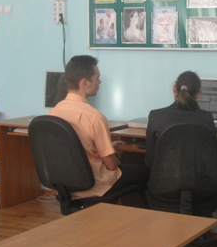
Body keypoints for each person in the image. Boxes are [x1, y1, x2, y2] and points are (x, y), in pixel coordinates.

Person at [48, 55, 149, 202]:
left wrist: (106, 149)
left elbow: (74, 150)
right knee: (143, 172)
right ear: (85, 83)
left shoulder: (53, 113)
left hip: (68, 185)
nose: (99, 82)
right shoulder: (94, 117)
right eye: (97, 78)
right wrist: (111, 155)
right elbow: (111, 165)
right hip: (95, 185)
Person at [145, 70, 217, 216]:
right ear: (198, 95)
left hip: (163, 192)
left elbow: (150, 160)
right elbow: (215, 159)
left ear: (174, 89)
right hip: (202, 194)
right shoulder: (206, 118)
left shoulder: (156, 116)